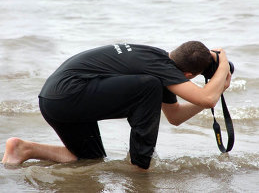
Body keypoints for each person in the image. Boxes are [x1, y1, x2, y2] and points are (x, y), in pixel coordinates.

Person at [1, 41, 231, 169]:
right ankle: (139, 165)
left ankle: (23, 148)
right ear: (189, 75)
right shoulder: (158, 71)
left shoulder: (158, 61)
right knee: (149, 86)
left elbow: (175, 116)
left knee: (88, 160)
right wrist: (222, 65)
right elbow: (207, 98)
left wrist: (216, 86)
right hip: (68, 96)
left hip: (55, 98)